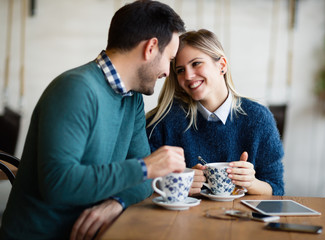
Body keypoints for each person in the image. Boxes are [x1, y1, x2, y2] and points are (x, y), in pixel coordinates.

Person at [0, 1, 186, 239]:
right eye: (169, 60)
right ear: (150, 48)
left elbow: (143, 180)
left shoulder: (133, 100)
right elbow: (59, 185)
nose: (168, 73)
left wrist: (118, 201)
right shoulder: (75, 88)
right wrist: (146, 167)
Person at [146, 29, 284, 197]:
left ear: (222, 65)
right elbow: (142, 182)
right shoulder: (164, 121)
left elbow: (276, 188)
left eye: (196, 63)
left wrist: (251, 183)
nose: (188, 76)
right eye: (180, 70)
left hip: (240, 219)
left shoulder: (259, 119)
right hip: (182, 220)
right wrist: (176, 183)